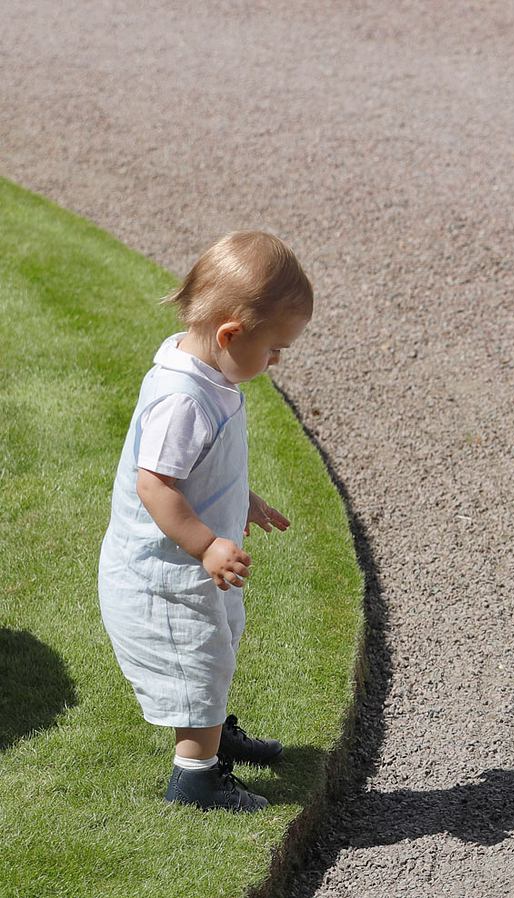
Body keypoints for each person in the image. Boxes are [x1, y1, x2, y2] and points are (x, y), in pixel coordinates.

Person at [98, 231, 311, 810]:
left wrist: (242, 500)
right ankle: (195, 777)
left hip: (193, 565)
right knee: (195, 662)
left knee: (217, 646)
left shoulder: (210, 377)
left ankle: (216, 734)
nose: (274, 362)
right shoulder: (183, 399)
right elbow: (157, 485)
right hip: (164, 575)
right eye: (274, 350)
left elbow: (202, 468)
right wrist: (206, 545)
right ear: (230, 334)